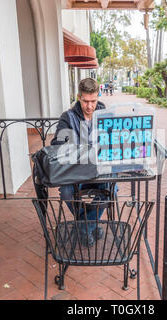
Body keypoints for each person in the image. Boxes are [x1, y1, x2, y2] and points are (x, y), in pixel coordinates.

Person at [51, 78, 116, 247]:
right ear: (79, 97)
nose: (89, 106)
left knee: (112, 189)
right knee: (66, 192)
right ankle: (90, 225)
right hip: (76, 172)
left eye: (93, 101)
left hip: (99, 171)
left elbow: (116, 142)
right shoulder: (68, 117)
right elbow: (57, 145)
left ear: (98, 96)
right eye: (85, 101)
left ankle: (85, 226)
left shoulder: (106, 116)